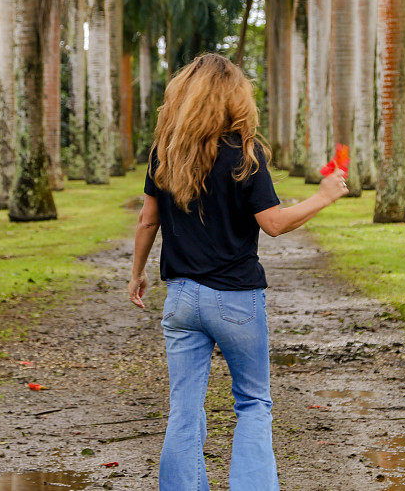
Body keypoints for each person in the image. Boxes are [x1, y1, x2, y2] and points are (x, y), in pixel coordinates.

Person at [127, 53, 348, 491]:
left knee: (184, 408)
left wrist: (137, 273)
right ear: (234, 99)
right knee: (252, 403)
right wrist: (324, 196)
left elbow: (147, 220)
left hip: (182, 299)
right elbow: (275, 223)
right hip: (236, 299)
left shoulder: (164, 154)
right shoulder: (245, 155)